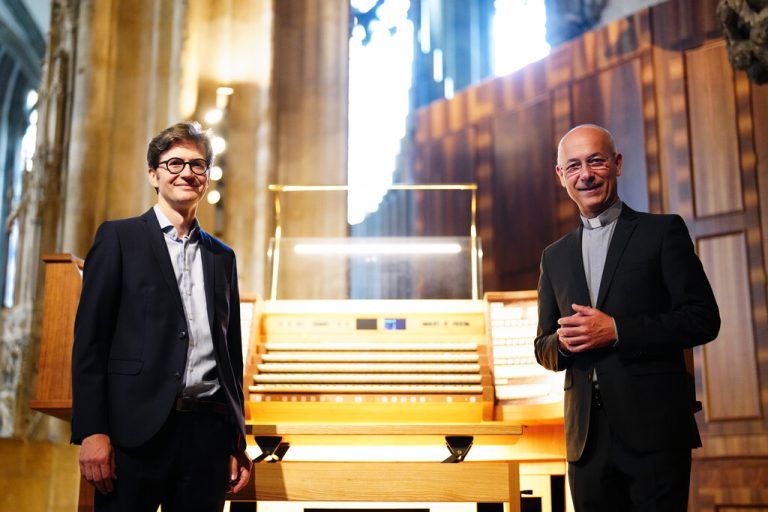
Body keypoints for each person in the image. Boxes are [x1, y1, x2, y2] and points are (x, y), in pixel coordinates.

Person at [534, 124, 720, 511]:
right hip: (585, 439)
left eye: (595, 161)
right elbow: (543, 348)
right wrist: (564, 343)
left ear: (616, 164)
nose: (585, 174)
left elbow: (703, 319)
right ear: (561, 176)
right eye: (573, 166)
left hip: (654, 432)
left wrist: (616, 330)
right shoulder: (554, 256)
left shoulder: (662, 232)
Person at [71, 122, 252, 511]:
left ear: (206, 177)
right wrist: (92, 431)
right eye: (174, 164)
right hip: (134, 435)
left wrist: (235, 441)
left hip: (205, 435)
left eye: (197, 165)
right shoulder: (119, 238)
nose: (186, 173)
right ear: (153, 174)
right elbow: (90, 342)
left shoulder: (223, 257)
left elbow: (230, 356)